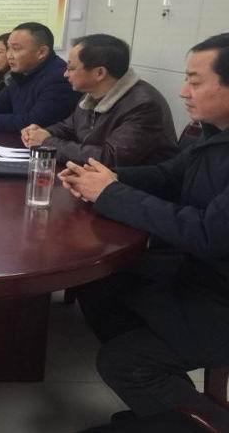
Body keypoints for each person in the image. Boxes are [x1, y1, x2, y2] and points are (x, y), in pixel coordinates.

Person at [60, 33, 229, 431]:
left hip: (219, 292)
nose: (183, 91)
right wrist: (103, 179)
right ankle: (165, 404)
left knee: (126, 362)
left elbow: (208, 233)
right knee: (100, 284)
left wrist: (111, 193)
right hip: (200, 273)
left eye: (195, 81)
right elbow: (167, 176)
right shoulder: (211, 135)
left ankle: (207, 421)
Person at [21, 34, 178, 166]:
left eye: (71, 68)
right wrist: (42, 132)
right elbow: (69, 127)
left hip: (134, 187)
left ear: (100, 73)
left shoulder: (144, 105)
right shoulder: (90, 94)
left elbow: (110, 159)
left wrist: (47, 142)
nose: (65, 74)